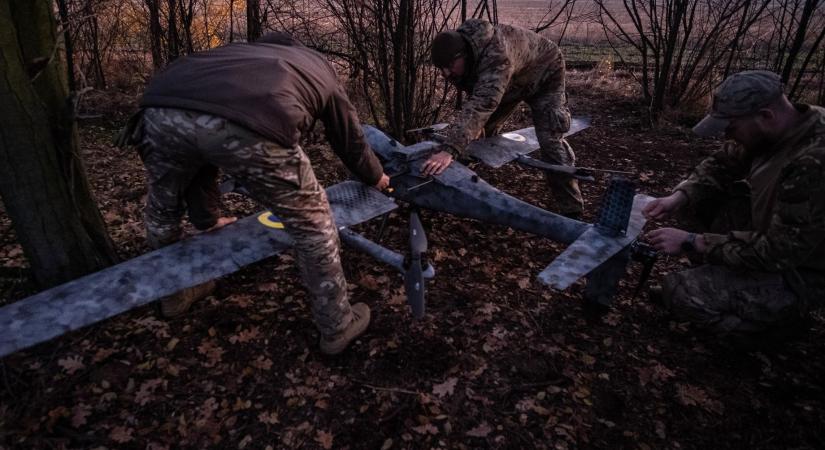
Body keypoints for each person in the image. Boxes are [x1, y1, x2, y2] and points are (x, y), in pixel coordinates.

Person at [122, 32, 390, 355]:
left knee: (163, 212)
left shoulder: (235, 55)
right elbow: (349, 138)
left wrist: (207, 219)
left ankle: (174, 295)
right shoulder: (317, 66)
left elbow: (199, 152)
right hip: (251, 122)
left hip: (157, 111)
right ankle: (338, 327)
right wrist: (375, 176)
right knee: (313, 223)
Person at [644, 70, 825, 338]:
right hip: (773, 241)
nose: (727, 137)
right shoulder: (775, 129)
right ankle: (718, 279)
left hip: (801, 273)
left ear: (766, 115)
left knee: (680, 293)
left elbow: (778, 251)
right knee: (695, 200)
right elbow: (722, 163)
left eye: (731, 128)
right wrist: (679, 196)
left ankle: (778, 326)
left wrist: (692, 241)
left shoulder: (813, 162)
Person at [426, 19, 583, 218]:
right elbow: (477, 97)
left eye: (449, 66)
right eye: (441, 68)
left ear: (462, 55)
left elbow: (482, 103)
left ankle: (572, 211)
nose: (446, 73)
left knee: (550, 140)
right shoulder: (463, 54)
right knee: (474, 135)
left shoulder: (496, 57)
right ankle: (459, 189)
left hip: (545, 73)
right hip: (511, 82)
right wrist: (472, 131)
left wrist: (449, 149)